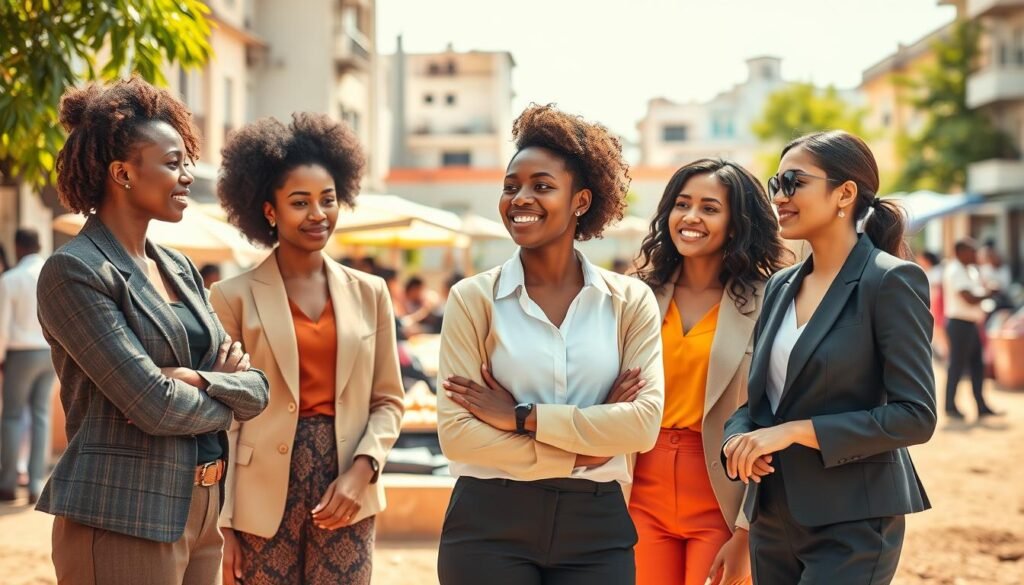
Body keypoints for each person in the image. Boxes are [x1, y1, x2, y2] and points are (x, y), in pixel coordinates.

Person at [37, 77, 270, 585]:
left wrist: (196, 378)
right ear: (122, 173)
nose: (187, 175)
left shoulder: (180, 268)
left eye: (186, 161)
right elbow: (152, 403)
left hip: (203, 504)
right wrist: (217, 393)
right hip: (122, 514)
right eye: (172, 163)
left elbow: (258, 390)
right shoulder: (76, 270)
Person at [436, 104, 664, 585]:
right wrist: (583, 450)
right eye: (510, 186)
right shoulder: (473, 299)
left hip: (596, 526)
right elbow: (457, 433)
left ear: (580, 201)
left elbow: (642, 426)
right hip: (488, 519)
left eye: (541, 186)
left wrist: (520, 417)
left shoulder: (629, 301)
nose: (520, 198)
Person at [722, 130, 936, 584]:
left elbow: (915, 416)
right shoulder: (781, 286)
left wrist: (795, 432)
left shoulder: (891, 282)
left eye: (794, 181)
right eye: (775, 183)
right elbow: (759, 405)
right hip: (772, 518)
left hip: (853, 521)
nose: (779, 196)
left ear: (845, 193)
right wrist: (738, 440)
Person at [212, 112, 405, 585]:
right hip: (259, 497)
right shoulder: (231, 296)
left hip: (347, 487)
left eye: (328, 200)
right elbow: (222, 419)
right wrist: (225, 525)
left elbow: (388, 401)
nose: (318, 214)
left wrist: (364, 470)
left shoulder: (370, 292)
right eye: (300, 202)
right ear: (270, 210)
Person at [631, 160, 790, 585]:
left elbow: (774, 416)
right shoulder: (637, 296)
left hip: (724, 491)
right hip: (639, 490)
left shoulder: (770, 301)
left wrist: (746, 531)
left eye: (709, 208)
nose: (691, 217)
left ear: (737, 224)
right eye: (682, 204)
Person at [0, 229, 56, 503]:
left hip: (19, 354)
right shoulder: (53, 274)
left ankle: (8, 484)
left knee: (11, 416)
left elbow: (2, 326)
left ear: (18, 247)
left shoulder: (11, 279)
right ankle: (36, 485)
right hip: (50, 353)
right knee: (40, 417)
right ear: (40, 244)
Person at [943, 238, 1001, 419]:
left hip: (970, 323)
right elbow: (968, 298)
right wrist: (989, 293)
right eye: (972, 251)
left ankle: (981, 405)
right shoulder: (955, 270)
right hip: (959, 323)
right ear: (960, 252)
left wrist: (985, 293)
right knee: (957, 366)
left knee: (977, 364)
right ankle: (950, 406)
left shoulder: (970, 270)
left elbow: (975, 295)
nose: (976, 255)